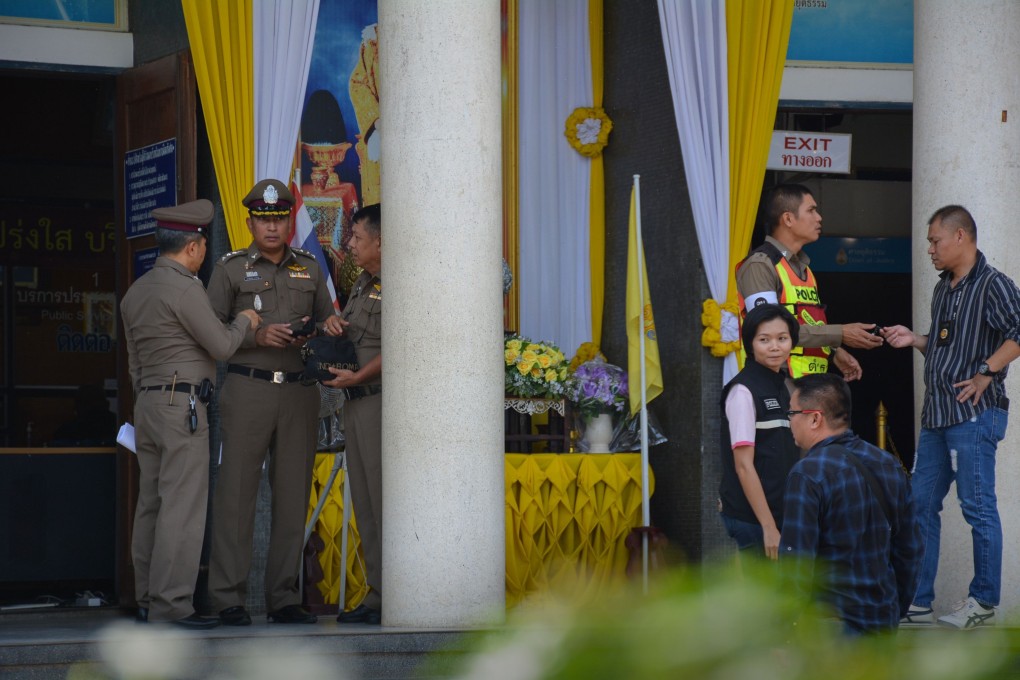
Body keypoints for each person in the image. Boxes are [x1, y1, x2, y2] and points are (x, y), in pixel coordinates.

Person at [206, 179, 344, 625]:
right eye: (264, 220)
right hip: (248, 389)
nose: (273, 227)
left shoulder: (308, 266)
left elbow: (328, 321)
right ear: (249, 223)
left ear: (289, 220)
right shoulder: (228, 270)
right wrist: (255, 334)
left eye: (280, 218)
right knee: (236, 496)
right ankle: (228, 597)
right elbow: (208, 335)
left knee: (291, 495)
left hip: (300, 392)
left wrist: (325, 329)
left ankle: (284, 598)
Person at [120, 199, 260, 628]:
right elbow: (220, 345)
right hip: (183, 407)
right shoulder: (185, 288)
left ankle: (147, 597)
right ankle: (172, 606)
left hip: (148, 402)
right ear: (195, 247)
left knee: (152, 505)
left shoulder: (136, 291)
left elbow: (135, 365)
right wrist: (245, 321)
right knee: (182, 508)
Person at [882, 205, 1020, 629]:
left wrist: (985, 372)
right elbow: (946, 344)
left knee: (977, 506)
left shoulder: (994, 284)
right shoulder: (944, 287)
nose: (930, 249)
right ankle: (918, 602)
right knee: (919, 504)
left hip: (974, 416)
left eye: (935, 240)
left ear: (961, 236)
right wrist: (916, 339)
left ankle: (983, 601)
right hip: (937, 418)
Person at [780, 373, 921, 635]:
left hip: (829, 627)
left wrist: (787, 631)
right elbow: (910, 548)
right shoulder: (887, 463)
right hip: (882, 620)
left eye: (792, 413)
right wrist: (895, 607)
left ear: (814, 418)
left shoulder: (807, 473)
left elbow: (796, 562)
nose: (789, 422)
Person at [736, 183, 882, 381]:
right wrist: (839, 334)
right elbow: (768, 330)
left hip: (807, 387)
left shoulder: (804, 269)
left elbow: (806, 320)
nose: (819, 217)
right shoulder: (761, 265)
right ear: (788, 218)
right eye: (811, 210)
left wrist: (833, 351)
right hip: (775, 386)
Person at [322, 203, 383, 625]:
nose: (351, 245)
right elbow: (353, 331)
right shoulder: (363, 283)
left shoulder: (402, 283)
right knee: (364, 501)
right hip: (355, 402)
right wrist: (334, 327)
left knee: (384, 501)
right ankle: (379, 594)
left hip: (380, 401)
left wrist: (359, 374)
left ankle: (396, 592)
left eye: (357, 237)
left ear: (381, 241)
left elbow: (402, 344)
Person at [718, 304, 800, 560]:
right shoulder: (742, 391)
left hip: (777, 515)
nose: (775, 347)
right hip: (753, 520)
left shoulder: (781, 386)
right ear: (750, 344)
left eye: (782, 338)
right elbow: (743, 465)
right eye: (764, 340)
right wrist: (768, 527)